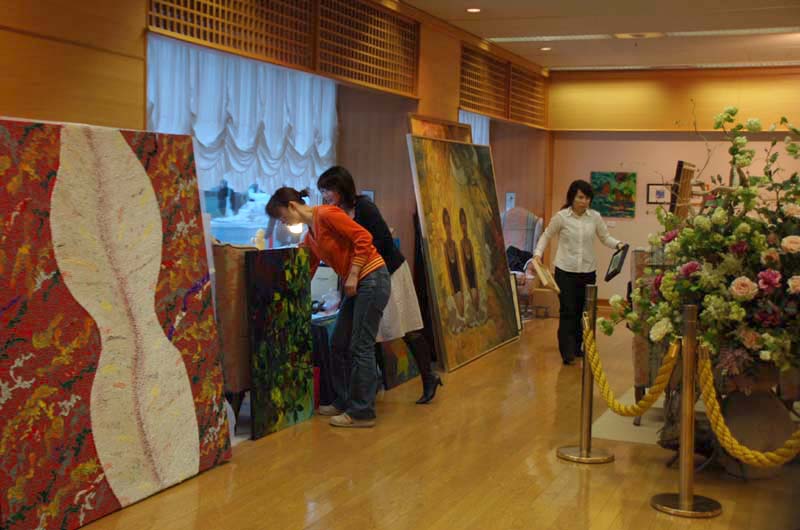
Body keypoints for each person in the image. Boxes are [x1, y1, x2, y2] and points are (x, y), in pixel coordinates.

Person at [266, 187, 390, 427]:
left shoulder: (326, 214)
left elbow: (364, 237)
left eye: (282, 216)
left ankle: (362, 412)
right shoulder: (310, 236)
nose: (283, 222)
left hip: (371, 278)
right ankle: (345, 401)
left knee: (360, 345)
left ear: (292, 206)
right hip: (358, 284)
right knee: (338, 343)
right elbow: (308, 269)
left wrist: (353, 274)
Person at [318, 166, 443, 404]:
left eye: (328, 190)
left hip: (389, 271)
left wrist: (360, 263)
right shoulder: (333, 214)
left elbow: (383, 242)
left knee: (407, 328)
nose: (325, 196)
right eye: (322, 191)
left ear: (341, 188)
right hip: (365, 276)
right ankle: (370, 388)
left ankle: (428, 377)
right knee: (370, 332)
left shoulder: (364, 207)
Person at [532, 180, 625, 365]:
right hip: (565, 271)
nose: (584, 201)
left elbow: (605, 237)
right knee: (568, 310)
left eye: (587, 198)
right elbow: (546, 235)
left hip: (588, 272)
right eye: (580, 197)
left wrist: (618, 244)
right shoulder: (561, 217)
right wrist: (537, 254)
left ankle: (577, 347)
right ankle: (567, 352)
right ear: (572, 197)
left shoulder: (595, 217)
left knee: (583, 312)